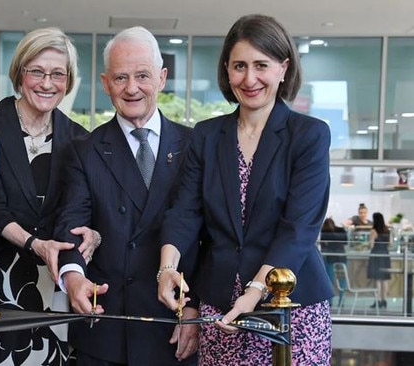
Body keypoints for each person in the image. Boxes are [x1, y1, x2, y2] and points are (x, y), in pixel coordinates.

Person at [157, 14, 333, 365]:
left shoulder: (310, 135)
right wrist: (167, 269)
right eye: (239, 66)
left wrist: (253, 294)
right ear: (226, 70)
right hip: (221, 308)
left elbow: (298, 229)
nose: (249, 79)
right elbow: (185, 212)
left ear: (283, 69)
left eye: (261, 65)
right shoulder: (206, 135)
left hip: (290, 306)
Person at [0, 27, 99, 366]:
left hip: (53, 283)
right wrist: (35, 244)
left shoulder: (80, 139)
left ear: (68, 80)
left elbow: (86, 208)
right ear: (20, 73)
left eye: (58, 74)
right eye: (37, 71)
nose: (47, 83)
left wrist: (94, 232)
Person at [54, 26, 198, 365]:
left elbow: (210, 235)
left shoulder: (195, 147)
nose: (131, 88)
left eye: (142, 76)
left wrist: (196, 306)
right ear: (105, 84)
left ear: (162, 78)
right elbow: (71, 223)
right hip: (107, 328)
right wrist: (73, 277)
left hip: (176, 326)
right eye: (120, 78)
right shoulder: (84, 151)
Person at [320, 217, 348, 307]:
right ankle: (341, 301)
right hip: (342, 257)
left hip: (330, 258)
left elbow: (323, 245)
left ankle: (330, 301)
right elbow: (346, 242)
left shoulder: (325, 232)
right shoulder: (341, 230)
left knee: (330, 280)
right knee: (342, 280)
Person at [367, 212, 391, 309]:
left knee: (377, 280)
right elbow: (391, 244)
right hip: (385, 255)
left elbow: (371, 245)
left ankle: (377, 301)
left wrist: (371, 241)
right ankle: (384, 301)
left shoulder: (373, 231)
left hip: (376, 255)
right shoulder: (387, 230)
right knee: (384, 280)